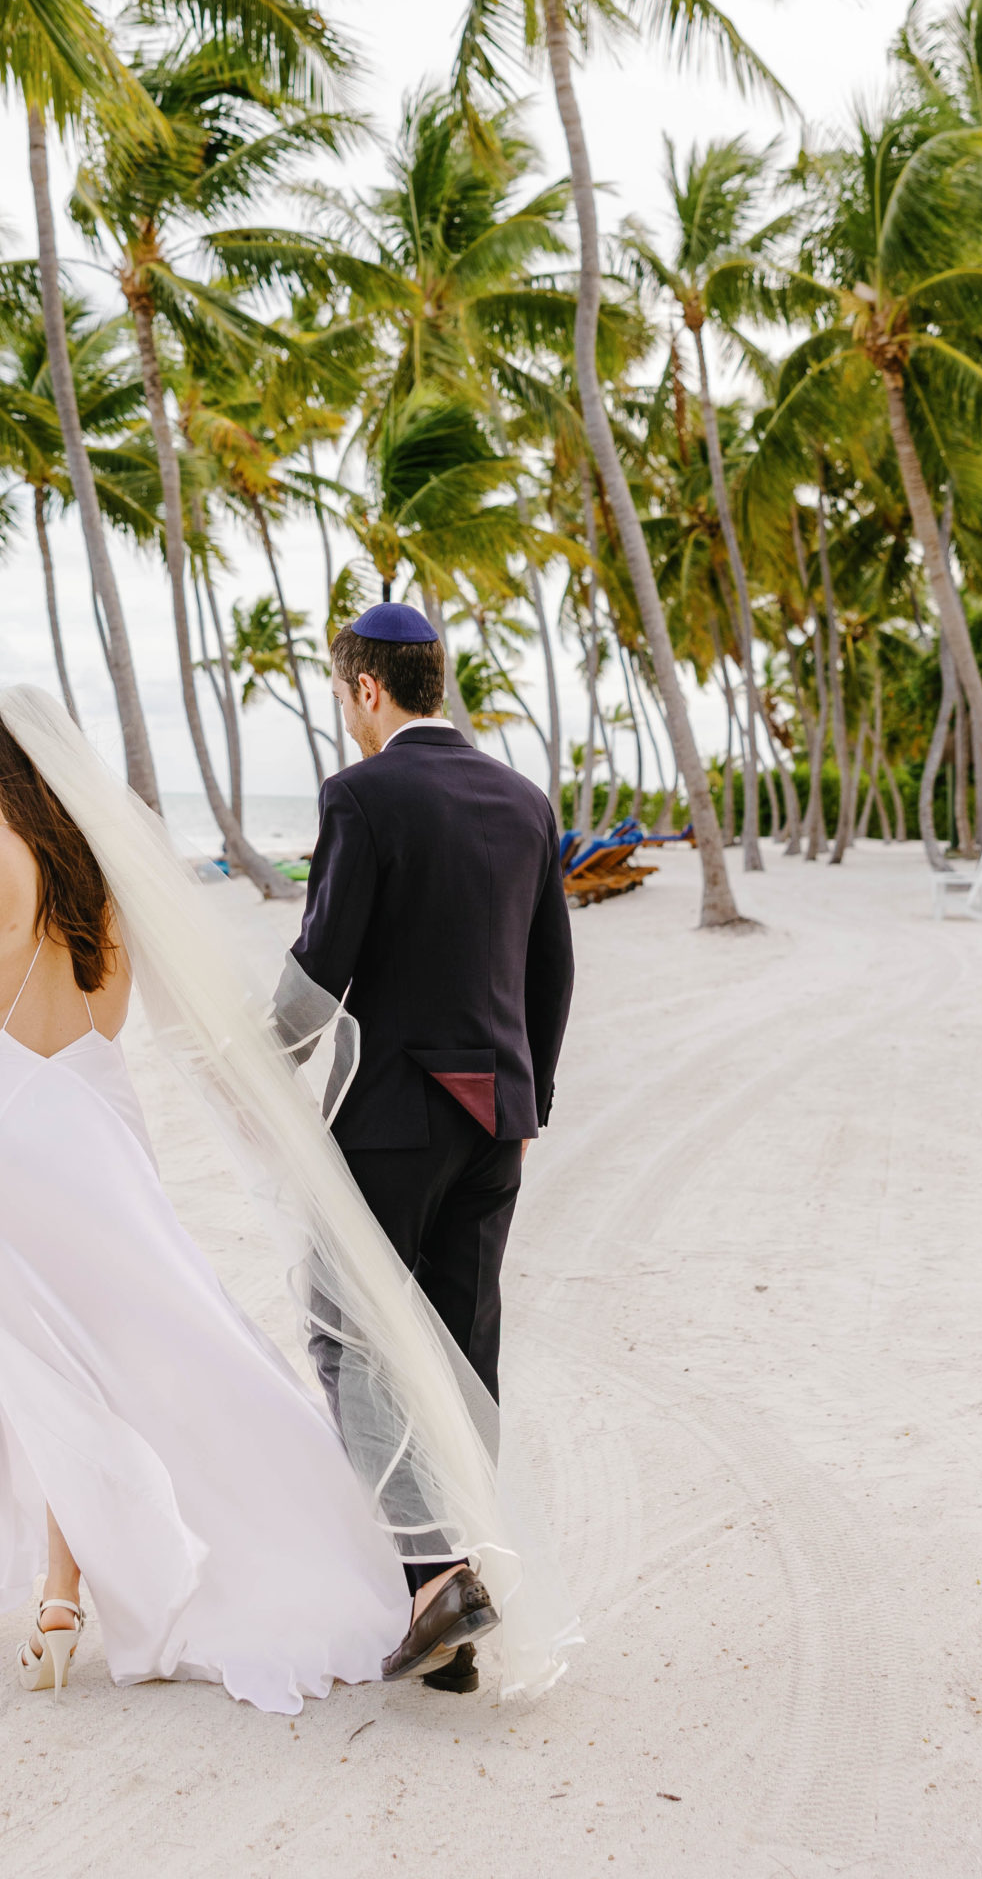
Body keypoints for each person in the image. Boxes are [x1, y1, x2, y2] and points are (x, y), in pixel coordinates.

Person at [0, 693, 406, 1710]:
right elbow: (102, 1025)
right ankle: (61, 1602)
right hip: (88, 1145)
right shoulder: (102, 878)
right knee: (79, 1369)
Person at [287, 602, 575, 1694]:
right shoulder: (523, 799)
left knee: (347, 1338)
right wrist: (526, 1100)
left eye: (342, 694)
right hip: (496, 1119)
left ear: (368, 689)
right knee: (462, 1354)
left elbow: (322, 972)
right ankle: (468, 1591)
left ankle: (431, 1575)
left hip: (392, 1121)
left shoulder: (362, 793)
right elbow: (551, 974)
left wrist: (255, 1063)